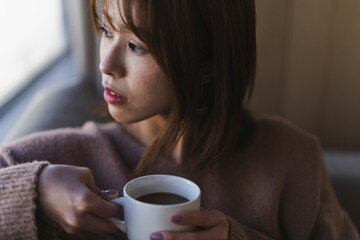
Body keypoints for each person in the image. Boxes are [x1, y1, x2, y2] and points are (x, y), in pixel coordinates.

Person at [0, 0, 358, 239]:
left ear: (207, 63)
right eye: (106, 30)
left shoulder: (292, 159)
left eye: (137, 46)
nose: (106, 64)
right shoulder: (71, 157)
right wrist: (34, 191)